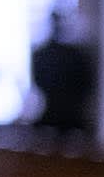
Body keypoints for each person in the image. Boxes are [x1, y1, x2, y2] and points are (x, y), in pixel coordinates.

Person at [29, 11, 97, 146]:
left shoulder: (74, 55)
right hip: (55, 116)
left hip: (70, 117)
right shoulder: (44, 54)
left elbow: (87, 84)